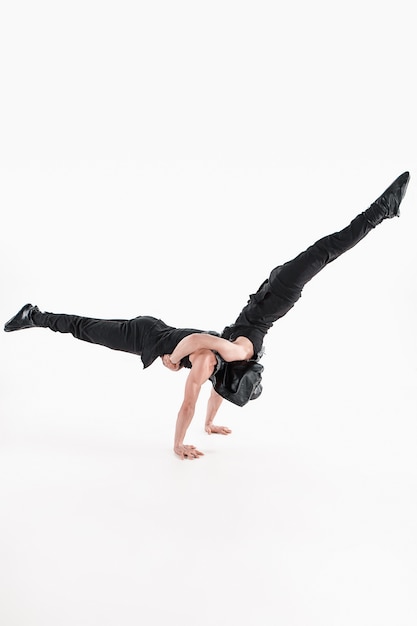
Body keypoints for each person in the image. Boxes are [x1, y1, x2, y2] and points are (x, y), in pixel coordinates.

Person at [4, 171, 410, 459]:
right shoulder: (225, 357)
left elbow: (196, 397)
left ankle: (35, 315)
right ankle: (383, 211)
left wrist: (196, 430)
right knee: (326, 250)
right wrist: (177, 361)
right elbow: (199, 352)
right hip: (272, 294)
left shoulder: (220, 362)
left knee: (85, 330)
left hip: (150, 333)